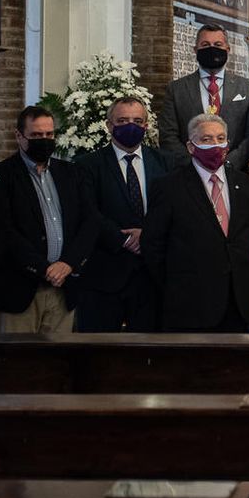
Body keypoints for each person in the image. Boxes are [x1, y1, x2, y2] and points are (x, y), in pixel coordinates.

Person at [0, 105, 94, 333]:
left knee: (60, 355)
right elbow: (3, 229)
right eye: (36, 135)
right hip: (18, 290)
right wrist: (43, 268)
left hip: (63, 288)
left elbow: (90, 221)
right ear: (19, 136)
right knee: (14, 355)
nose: (44, 140)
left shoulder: (72, 173)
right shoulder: (0, 175)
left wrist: (68, 263)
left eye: (49, 134)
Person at [141, 113, 249, 331]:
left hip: (237, 301)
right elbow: (153, 244)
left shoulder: (245, 185)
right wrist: (176, 285)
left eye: (220, 138)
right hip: (189, 305)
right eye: (206, 139)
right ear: (190, 146)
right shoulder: (169, 187)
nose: (215, 145)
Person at [74, 95, 167, 331]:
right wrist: (123, 239)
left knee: (149, 348)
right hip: (104, 274)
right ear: (109, 125)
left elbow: (170, 209)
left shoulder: (165, 162)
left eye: (137, 121)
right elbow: (88, 211)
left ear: (146, 125)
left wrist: (147, 235)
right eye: (123, 121)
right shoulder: (87, 165)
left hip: (151, 275)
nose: (130, 126)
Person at [157, 23, 249, 166]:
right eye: (205, 45)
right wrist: (194, 165)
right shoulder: (177, 89)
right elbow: (168, 135)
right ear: (195, 50)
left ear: (228, 49)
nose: (212, 49)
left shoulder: (247, 87)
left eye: (218, 45)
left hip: (234, 170)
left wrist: (229, 163)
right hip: (189, 170)